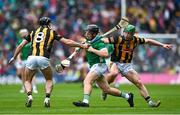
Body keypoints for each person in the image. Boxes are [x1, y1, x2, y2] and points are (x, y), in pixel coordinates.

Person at [9, 17, 88, 108]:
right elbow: (67, 42)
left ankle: (30, 96)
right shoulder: (52, 32)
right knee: (49, 79)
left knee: (27, 80)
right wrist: (81, 45)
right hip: (43, 58)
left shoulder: (33, 33)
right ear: (48, 24)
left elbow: (21, 45)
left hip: (31, 58)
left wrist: (14, 57)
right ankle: (47, 98)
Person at [101, 24, 172, 107]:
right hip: (115, 62)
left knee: (138, 82)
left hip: (126, 65)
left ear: (132, 34)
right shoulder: (118, 38)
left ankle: (150, 102)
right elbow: (105, 40)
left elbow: (148, 41)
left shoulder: (136, 40)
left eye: (129, 34)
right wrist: (99, 39)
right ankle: (105, 89)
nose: (127, 35)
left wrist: (162, 45)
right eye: (126, 33)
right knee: (114, 73)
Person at [73, 24, 134, 107]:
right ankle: (128, 96)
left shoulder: (100, 43)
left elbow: (105, 54)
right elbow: (83, 41)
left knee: (87, 81)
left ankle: (85, 102)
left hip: (99, 65)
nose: (86, 33)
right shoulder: (89, 40)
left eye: (89, 32)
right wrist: (80, 46)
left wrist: (92, 49)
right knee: (107, 89)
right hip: (95, 66)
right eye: (86, 31)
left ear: (94, 34)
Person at [15, 29, 38, 93]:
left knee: (32, 73)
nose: (23, 34)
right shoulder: (19, 41)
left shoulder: (31, 40)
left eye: (25, 33)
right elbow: (18, 51)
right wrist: (18, 58)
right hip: (22, 60)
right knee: (21, 74)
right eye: (22, 33)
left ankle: (34, 87)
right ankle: (24, 86)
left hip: (30, 59)